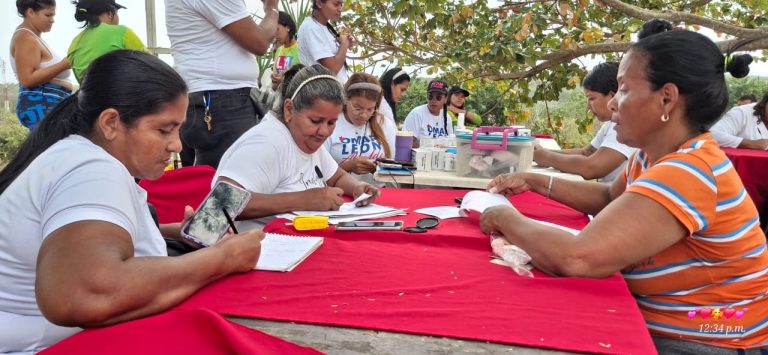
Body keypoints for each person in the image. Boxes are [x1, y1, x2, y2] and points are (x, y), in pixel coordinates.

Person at [480, 20, 768, 352]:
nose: (614, 103)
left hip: (710, 336)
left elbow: (576, 260)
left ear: (667, 99)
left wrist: (502, 216)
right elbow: (607, 197)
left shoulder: (688, 171)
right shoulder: (654, 156)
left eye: (625, 89)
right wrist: (531, 180)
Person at [0, 50, 263, 354]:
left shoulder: (78, 157)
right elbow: (82, 293)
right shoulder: (92, 169)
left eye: (178, 129)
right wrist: (223, 259)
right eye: (164, 130)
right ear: (111, 123)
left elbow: (90, 241)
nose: (177, 144)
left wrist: (176, 232)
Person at [214, 64, 379, 224]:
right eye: (315, 121)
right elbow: (219, 205)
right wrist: (303, 200)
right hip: (255, 246)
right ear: (289, 110)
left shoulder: (307, 138)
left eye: (331, 123)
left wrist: (357, 187)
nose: (324, 131)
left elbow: (337, 177)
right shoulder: (266, 143)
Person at [165, 0, 278, 168]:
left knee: (208, 181)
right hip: (223, 101)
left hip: (210, 99)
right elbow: (260, 42)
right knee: (231, 184)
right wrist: (272, 8)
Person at [532, 62, 636, 182]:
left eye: (591, 98)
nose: (588, 106)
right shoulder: (610, 124)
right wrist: (543, 153)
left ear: (612, 96)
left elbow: (592, 168)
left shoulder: (626, 126)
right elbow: (587, 153)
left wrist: (548, 157)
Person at [11, 0, 73, 130]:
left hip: (47, 105)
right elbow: (27, 79)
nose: (52, 20)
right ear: (30, 12)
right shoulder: (25, 37)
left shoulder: (32, 37)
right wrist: (64, 65)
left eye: (53, 15)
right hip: (41, 105)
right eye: (48, 15)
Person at [324, 73, 395, 185]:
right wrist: (347, 167)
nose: (364, 115)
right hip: (340, 194)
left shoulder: (384, 124)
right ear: (346, 100)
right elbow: (318, 174)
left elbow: (394, 168)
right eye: (357, 108)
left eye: (370, 109)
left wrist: (378, 169)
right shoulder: (331, 122)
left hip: (377, 193)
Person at [67, 0, 146, 84]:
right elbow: (151, 63)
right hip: (121, 93)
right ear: (110, 14)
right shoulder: (121, 32)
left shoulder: (75, 42)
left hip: (87, 95)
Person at [297, 0, 353, 83]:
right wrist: (344, 44)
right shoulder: (311, 28)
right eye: (336, 4)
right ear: (319, 3)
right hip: (325, 92)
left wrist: (345, 45)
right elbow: (332, 69)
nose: (340, 9)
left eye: (341, 4)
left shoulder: (324, 27)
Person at [403, 79, 454, 147]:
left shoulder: (447, 118)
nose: (433, 100)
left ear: (446, 99)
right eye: (430, 96)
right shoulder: (417, 114)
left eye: (438, 97)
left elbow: (450, 142)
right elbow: (406, 141)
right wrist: (430, 147)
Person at [270, 11, 299, 91]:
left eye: (277, 29)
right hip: (281, 99)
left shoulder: (301, 49)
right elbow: (274, 87)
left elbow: (305, 79)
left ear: (288, 27)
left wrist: (283, 80)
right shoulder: (279, 51)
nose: (275, 34)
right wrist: (274, 80)